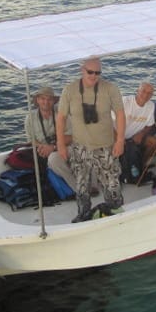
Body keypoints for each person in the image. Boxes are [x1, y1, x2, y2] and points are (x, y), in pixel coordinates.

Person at [57, 57, 126, 222]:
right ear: (82, 70)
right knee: (82, 185)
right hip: (80, 147)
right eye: (90, 72)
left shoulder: (111, 89)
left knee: (112, 184)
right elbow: (61, 117)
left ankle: (115, 211)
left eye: (98, 73)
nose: (94, 76)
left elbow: (120, 115)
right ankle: (84, 214)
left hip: (106, 147)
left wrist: (120, 141)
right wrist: (60, 144)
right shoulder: (70, 90)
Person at [24, 86, 76, 190]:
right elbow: (31, 140)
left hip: (66, 147)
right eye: (43, 99)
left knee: (81, 151)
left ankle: (81, 188)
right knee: (52, 159)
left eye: (49, 99)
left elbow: (72, 137)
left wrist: (53, 147)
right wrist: (43, 147)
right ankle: (77, 188)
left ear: (53, 101)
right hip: (45, 152)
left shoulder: (62, 114)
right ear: (38, 100)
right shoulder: (30, 118)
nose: (46, 102)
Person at [118, 82, 156, 182]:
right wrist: (119, 138)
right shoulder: (125, 102)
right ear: (137, 91)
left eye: (149, 93)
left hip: (134, 138)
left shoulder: (151, 105)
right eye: (143, 91)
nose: (146, 95)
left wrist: (141, 134)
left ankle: (140, 165)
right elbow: (109, 121)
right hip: (117, 135)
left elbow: (149, 125)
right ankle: (121, 171)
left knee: (154, 142)